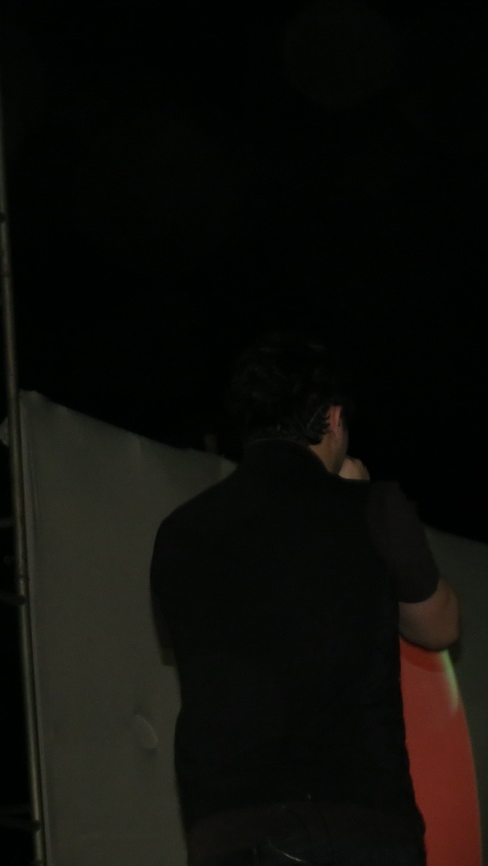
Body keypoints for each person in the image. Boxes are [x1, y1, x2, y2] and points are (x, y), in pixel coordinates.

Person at [150, 333, 459, 866]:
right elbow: (440, 626)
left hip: (227, 829)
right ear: (333, 419)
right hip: (354, 822)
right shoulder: (371, 507)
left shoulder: (178, 532)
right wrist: (356, 496)